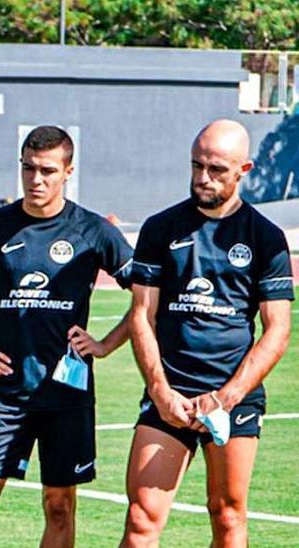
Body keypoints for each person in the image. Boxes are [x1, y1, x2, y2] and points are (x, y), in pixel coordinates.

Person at [0, 126, 134, 548]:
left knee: (58, 504)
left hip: (66, 393)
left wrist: (106, 344)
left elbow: (150, 296)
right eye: (27, 169)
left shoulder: (92, 230)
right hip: (6, 393)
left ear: (67, 172)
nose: (35, 180)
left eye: (46, 171)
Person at [121, 119, 292, 547]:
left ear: (244, 170)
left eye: (216, 169)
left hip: (232, 398)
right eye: (196, 166)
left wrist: (224, 398)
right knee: (141, 519)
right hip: (170, 394)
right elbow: (142, 314)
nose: (203, 178)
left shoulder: (265, 239)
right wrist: (160, 391)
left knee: (228, 516)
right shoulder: (160, 229)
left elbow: (277, 331)